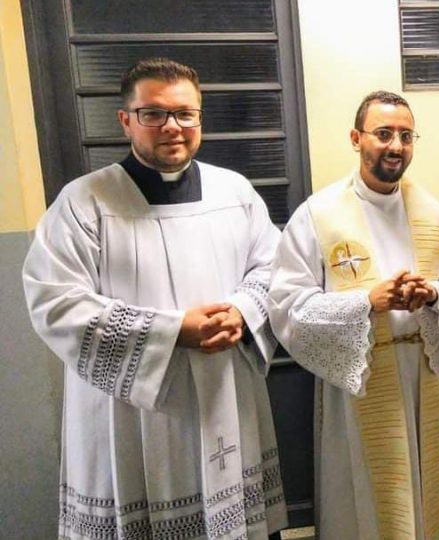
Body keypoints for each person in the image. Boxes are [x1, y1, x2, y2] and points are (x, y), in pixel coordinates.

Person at [22, 58, 287, 538]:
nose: (172, 127)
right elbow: (55, 303)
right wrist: (173, 331)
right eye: (153, 114)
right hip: (134, 414)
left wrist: (243, 312)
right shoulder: (85, 203)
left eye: (186, 114)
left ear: (200, 117)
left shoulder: (236, 193)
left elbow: (273, 267)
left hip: (224, 394)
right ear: (126, 120)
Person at [268, 91, 439, 539]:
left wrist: (433, 294)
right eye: (383, 134)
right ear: (355, 138)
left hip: (424, 379)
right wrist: (366, 303)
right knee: (363, 502)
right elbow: (287, 305)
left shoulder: (435, 216)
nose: (395, 146)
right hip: (360, 388)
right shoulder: (319, 215)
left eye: (406, 135)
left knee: (429, 498)